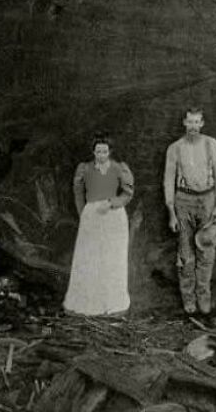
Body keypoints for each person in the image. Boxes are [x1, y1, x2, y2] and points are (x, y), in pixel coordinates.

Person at [63, 134, 134, 316]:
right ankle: (88, 302)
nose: (101, 154)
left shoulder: (119, 168)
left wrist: (112, 203)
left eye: (104, 151)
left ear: (110, 152)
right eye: (98, 151)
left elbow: (127, 193)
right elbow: (78, 193)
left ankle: (112, 302)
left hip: (113, 216)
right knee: (90, 257)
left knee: (111, 257)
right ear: (93, 152)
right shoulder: (85, 169)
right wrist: (85, 213)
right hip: (92, 216)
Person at [164, 109, 216, 315]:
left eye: (196, 122)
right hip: (183, 200)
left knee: (206, 251)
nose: (193, 126)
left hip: (207, 200)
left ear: (202, 123)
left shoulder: (211, 144)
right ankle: (188, 301)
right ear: (184, 123)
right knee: (185, 253)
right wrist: (171, 211)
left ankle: (204, 299)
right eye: (189, 122)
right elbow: (168, 179)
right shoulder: (175, 148)